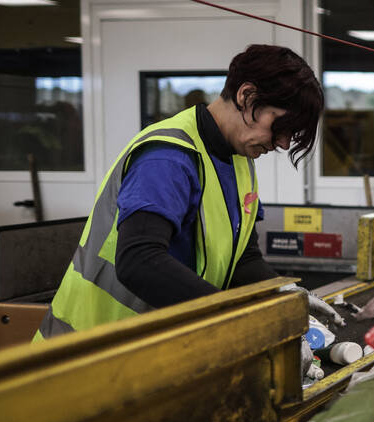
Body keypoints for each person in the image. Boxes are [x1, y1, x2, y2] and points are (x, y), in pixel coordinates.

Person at [36, 44, 325, 339]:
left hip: (146, 352)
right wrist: (234, 319)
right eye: (282, 126)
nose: (284, 143)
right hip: (85, 355)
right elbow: (139, 261)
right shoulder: (168, 157)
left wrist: (283, 294)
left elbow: (242, 259)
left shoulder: (238, 159)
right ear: (246, 96)